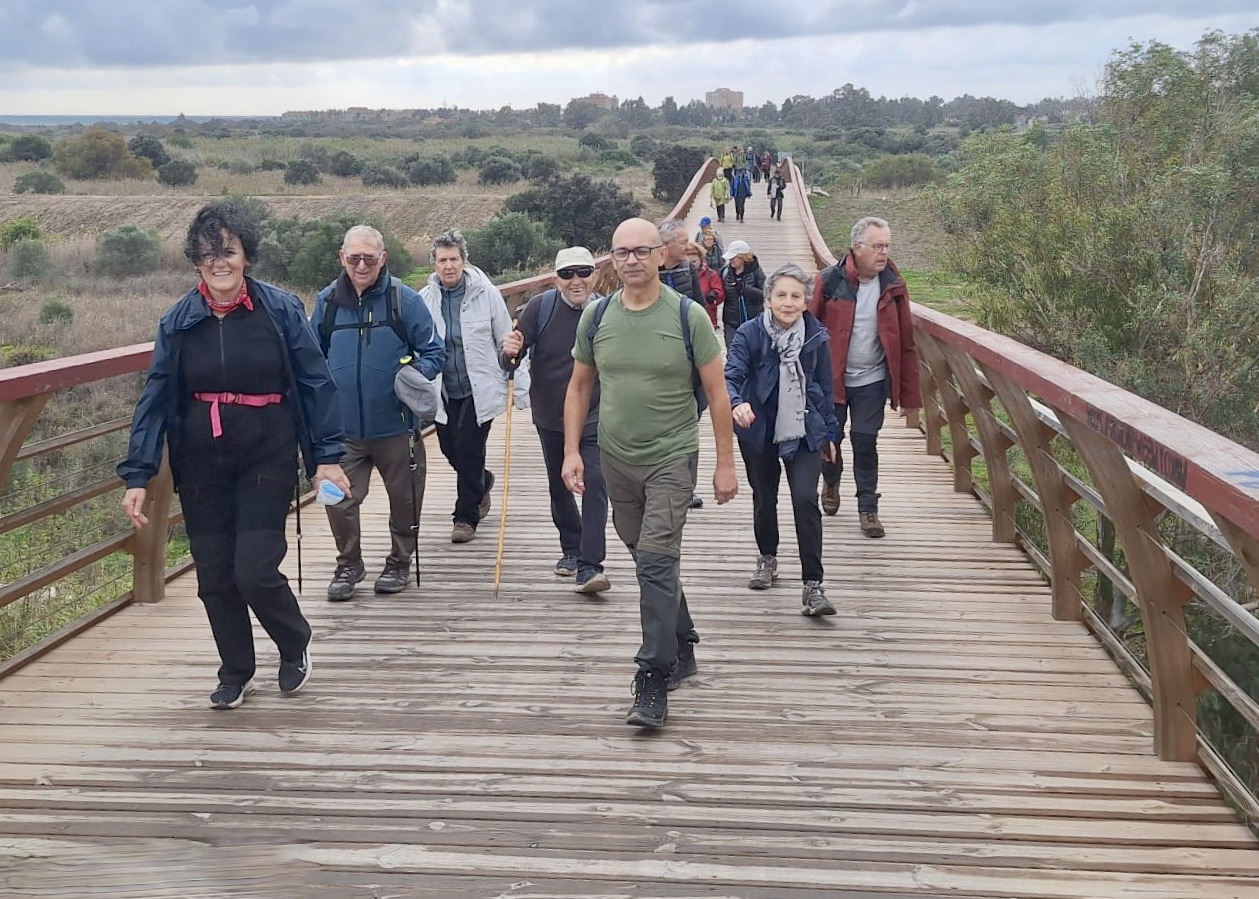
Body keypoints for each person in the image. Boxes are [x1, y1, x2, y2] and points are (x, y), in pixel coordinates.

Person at [118, 200, 350, 710]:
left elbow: (315, 383)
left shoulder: (280, 310)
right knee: (215, 577)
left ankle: (294, 640)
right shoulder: (178, 321)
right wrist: (138, 475)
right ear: (195, 262)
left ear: (246, 256)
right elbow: (155, 398)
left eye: (227, 251)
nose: (218, 262)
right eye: (207, 253)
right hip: (201, 463)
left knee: (254, 570)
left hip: (266, 454)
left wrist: (326, 458)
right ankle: (236, 670)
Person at [563, 217, 737, 729]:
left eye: (642, 251)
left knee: (656, 561)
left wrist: (725, 463)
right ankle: (682, 640)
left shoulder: (688, 316)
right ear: (611, 260)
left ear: (662, 255)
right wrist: (572, 452)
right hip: (616, 458)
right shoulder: (597, 316)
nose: (632, 260)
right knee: (645, 557)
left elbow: (717, 394)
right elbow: (578, 387)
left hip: (672, 456)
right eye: (622, 252)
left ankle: (653, 675)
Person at [313, 225, 445, 601]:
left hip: (396, 426)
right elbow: (312, 357)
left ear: (383, 258)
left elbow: (434, 351)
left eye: (369, 258)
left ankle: (399, 563)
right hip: (344, 430)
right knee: (336, 498)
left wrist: (413, 375)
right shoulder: (327, 302)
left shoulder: (404, 301)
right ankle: (348, 565)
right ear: (342, 258)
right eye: (354, 257)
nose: (361, 265)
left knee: (406, 500)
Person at [726, 264, 839, 616]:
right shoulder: (749, 333)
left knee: (805, 499)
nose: (788, 303)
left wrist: (831, 433)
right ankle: (767, 557)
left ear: (805, 302)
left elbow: (826, 387)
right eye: (781, 295)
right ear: (768, 299)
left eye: (796, 296)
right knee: (765, 497)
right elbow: (731, 375)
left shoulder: (815, 335)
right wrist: (737, 403)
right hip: (759, 427)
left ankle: (813, 585)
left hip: (803, 427)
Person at [498, 247, 610, 594]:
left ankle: (589, 564)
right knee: (559, 483)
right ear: (556, 279)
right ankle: (571, 548)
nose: (576, 281)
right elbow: (512, 359)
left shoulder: (608, 311)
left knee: (595, 482)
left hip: (597, 413)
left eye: (584, 272)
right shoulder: (539, 308)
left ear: (595, 275)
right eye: (567, 274)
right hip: (550, 414)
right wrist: (509, 350)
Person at [810, 216, 923, 537]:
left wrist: (910, 396)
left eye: (887, 246)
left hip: (871, 380)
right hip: (830, 381)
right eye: (877, 246)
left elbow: (906, 343)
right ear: (857, 248)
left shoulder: (893, 286)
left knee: (865, 440)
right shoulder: (829, 282)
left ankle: (868, 508)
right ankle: (831, 481)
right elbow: (807, 333)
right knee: (830, 440)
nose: (884, 252)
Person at [418, 230, 513, 543]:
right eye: (442, 260)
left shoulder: (487, 294)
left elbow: (505, 336)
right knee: (450, 448)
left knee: (468, 449)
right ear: (434, 264)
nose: (448, 266)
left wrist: (512, 367)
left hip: (479, 386)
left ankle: (465, 517)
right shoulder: (424, 299)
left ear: (464, 261)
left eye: (454, 259)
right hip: (443, 389)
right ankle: (482, 481)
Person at [658, 218, 706, 511]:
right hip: (656, 361)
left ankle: (686, 488)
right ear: (665, 246)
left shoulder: (689, 269)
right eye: (683, 242)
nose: (689, 246)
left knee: (689, 423)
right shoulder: (646, 273)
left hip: (688, 360)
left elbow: (700, 309)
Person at [720, 239, 767, 345]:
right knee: (733, 351)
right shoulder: (725, 272)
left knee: (753, 352)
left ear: (743, 257)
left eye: (734, 257)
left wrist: (745, 290)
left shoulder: (756, 272)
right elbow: (719, 291)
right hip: (731, 322)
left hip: (753, 322)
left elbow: (764, 295)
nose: (731, 260)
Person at [685, 240, 725, 329]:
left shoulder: (711, 274)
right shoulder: (681, 276)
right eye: (688, 262)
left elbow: (720, 294)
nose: (691, 265)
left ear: (701, 259)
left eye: (694, 261)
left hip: (707, 317)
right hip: (686, 318)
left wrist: (713, 296)